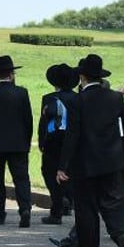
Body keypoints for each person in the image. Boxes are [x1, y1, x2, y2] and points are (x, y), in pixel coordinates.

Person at [56, 54, 124, 247]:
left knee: (86, 211)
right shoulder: (115, 98)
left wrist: (63, 166)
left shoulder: (77, 101)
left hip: (85, 164)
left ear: (82, 76)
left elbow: (72, 135)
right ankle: (121, 237)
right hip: (112, 161)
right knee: (113, 203)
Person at [0, 55, 35, 227]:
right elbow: (29, 120)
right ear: (11, 74)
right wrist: (27, 141)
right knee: (22, 178)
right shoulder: (22, 93)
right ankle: (25, 209)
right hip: (19, 144)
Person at [38, 63, 77, 225]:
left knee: (49, 173)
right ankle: (66, 200)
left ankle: (57, 209)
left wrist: (41, 141)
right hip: (72, 139)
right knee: (68, 171)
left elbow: (43, 122)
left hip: (54, 140)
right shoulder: (77, 97)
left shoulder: (49, 98)